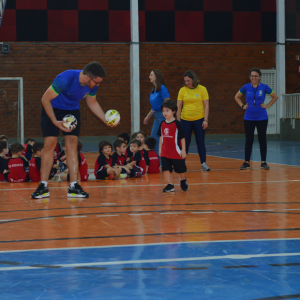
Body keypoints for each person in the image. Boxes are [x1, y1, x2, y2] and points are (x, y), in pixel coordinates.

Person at [31, 62, 117, 199]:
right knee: (49, 145)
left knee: (72, 146)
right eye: (97, 82)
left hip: (71, 111)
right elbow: (45, 99)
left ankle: (73, 186)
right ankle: (43, 186)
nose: (98, 85)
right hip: (52, 109)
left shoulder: (92, 85)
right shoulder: (65, 79)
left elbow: (92, 103)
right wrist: (54, 121)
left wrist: (105, 120)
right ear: (88, 77)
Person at [235, 68, 278, 170]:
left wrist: (267, 106)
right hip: (249, 117)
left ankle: (263, 162)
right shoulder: (245, 87)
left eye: (255, 76)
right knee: (249, 140)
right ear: (250, 77)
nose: (253, 78)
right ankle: (246, 162)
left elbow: (275, 96)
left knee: (262, 139)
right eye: (252, 76)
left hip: (261, 117)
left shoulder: (264, 87)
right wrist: (242, 106)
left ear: (259, 77)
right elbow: (237, 97)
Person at [177, 70, 210, 171]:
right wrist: (178, 122)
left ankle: (203, 163)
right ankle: (181, 163)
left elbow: (206, 105)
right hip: (185, 120)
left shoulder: (202, 89)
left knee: (200, 141)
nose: (186, 83)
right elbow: (178, 106)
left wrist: (205, 120)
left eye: (188, 81)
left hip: (199, 120)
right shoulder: (182, 90)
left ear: (193, 79)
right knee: (184, 142)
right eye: (185, 81)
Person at [158, 99, 188, 192]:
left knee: (180, 170)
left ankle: (183, 180)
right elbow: (161, 136)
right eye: (163, 111)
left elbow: (182, 137)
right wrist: (159, 148)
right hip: (165, 151)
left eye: (167, 110)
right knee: (165, 169)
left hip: (175, 152)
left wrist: (183, 150)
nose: (165, 113)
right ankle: (169, 184)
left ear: (173, 111)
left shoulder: (177, 124)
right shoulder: (162, 124)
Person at [143, 70, 170, 157]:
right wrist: (148, 116)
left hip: (162, 116)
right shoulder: (154, 90)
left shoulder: (162, 88)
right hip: (156, 117)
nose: (149, 77)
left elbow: (167, 102)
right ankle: (156, 160)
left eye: (151, 75)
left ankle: (168, 160)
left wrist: (166, 115)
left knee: (164, 139)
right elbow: (155, 106)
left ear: (156, 77)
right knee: (154, 138)